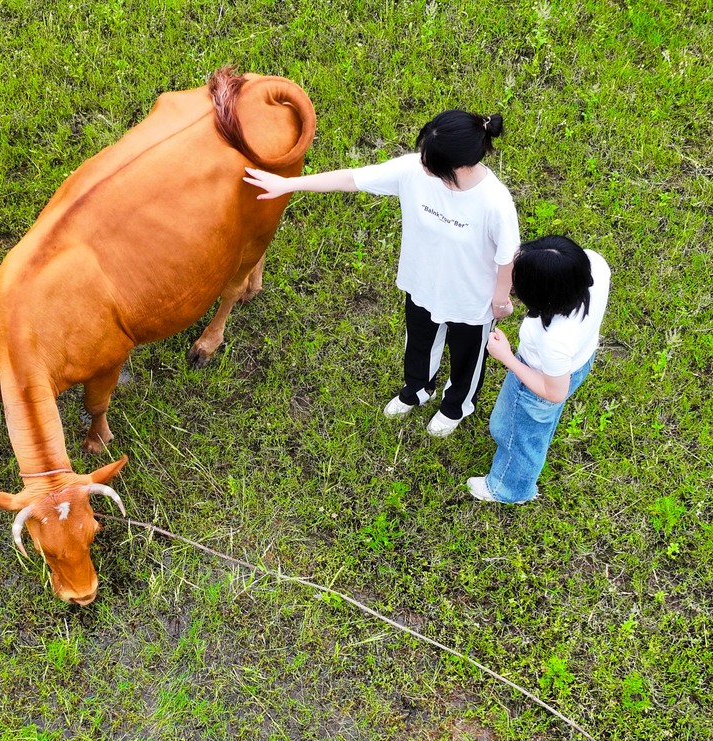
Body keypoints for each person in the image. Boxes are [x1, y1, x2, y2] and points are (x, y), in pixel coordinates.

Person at [243, 110, 520, 436]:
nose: (422, 165)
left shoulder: (494, 202)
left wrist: (500, 301)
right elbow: (352, 178)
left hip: (472, 301)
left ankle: (455, 407)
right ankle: (416, 390)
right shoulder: (415, 169)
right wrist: (288, 183)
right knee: (418, 344)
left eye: (432, 162)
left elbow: (507, 258)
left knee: (466, 360)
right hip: (422, 283)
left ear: (460, 165)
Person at [469, 234, 610, 504]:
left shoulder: (553, 338)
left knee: (517, 434)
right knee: (531, 428)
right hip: (579, 360)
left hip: (540, 382)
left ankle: (509, 490)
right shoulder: (595, 265)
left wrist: (507, 357)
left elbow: (554, 392)